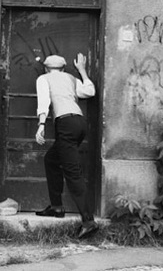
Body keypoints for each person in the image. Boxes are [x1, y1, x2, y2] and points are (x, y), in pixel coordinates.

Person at [34, 53, 98, 238]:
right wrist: (82, 70)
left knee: (72, 172)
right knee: (52, 159)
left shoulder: (43, 78)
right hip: (79, 124)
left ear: (46, 68)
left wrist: (41, 125)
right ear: (62, 68)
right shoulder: (71, 78)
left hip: (65, 125)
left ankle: (88, 221)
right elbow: (90, 91)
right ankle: (56, 207)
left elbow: (44, 102)